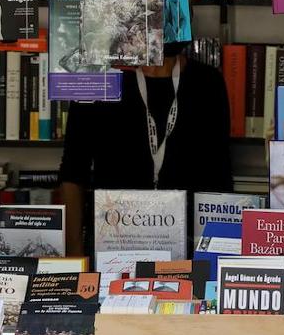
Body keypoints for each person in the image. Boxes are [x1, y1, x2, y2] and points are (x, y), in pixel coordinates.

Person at [58, 42, 234, 256]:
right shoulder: (98, 78)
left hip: (187, 249)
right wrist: (75, 256)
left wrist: (217, 257)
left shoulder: (207, 81)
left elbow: (220, 176)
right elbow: (73, 171)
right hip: (113, 245)